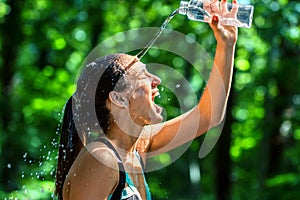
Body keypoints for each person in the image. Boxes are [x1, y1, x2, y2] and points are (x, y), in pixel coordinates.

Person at [55, 0, 238, 199]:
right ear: (118, 98)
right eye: (143, 75)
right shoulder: (101, 157)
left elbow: (208, 116)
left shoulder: (135, 147)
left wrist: (226, 44)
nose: (157, 80)